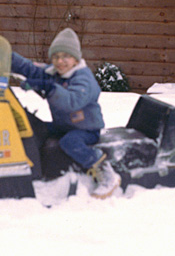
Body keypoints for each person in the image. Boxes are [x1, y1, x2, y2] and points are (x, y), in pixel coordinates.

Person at [11, 28, 121, 199]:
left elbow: (72, 101)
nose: (60, 61)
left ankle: (106, 173)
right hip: (64, 125)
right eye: (55, 57)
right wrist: (7, 57)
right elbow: (30, 69)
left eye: (65, 57)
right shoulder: (55, 73)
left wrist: (47, 87)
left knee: (70, 142)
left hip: (86, 129)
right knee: (36, 128)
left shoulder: (84, 78)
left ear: (76, 59)